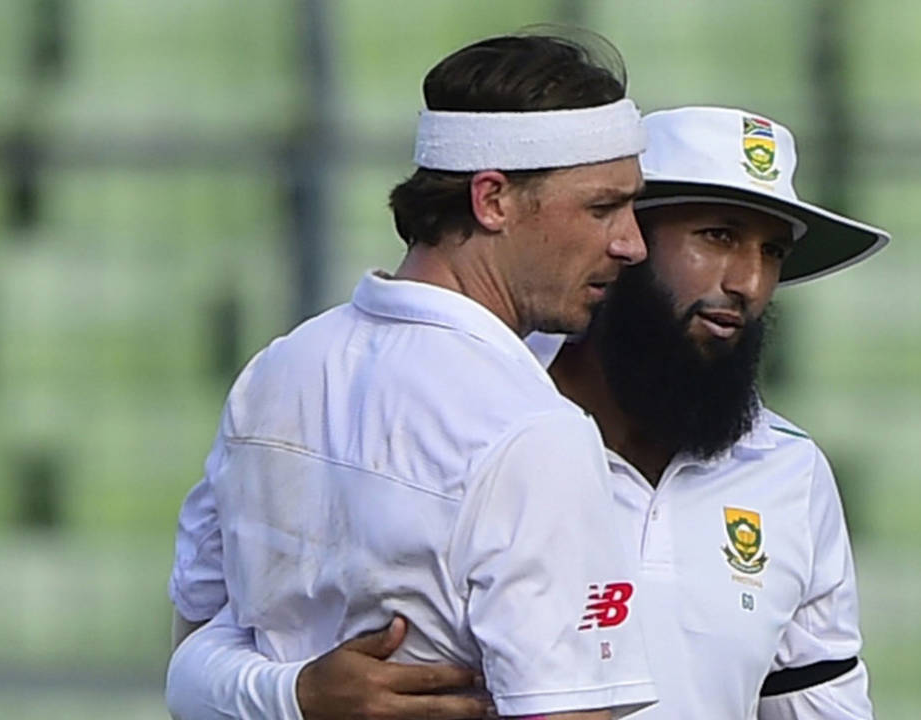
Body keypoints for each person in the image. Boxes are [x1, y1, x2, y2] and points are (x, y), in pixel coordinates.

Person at [167, 106, 890, 719]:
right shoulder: (465, 416)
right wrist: (293, 694)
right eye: (718, 237)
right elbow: (199, 648)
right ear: (623, 236)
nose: (749, 283)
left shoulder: (790, 473)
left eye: (771, 253)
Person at [165, 32, 662, 720]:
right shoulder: (533, 430)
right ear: (492, 200)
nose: (632, 243)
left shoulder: (275, 371)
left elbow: (196, 640)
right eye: (603, 207)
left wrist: (289, 697)